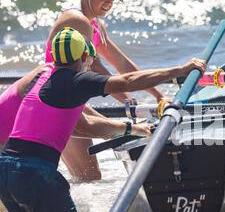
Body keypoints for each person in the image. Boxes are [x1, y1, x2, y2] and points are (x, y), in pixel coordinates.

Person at [0, 28, 206, 212]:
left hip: (6, 175)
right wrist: (179, 71)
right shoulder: (76, 80)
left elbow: (84, 126)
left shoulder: (43, 77)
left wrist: (134, 129)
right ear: (85, 58)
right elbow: (128, 81)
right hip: (37, 176)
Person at [46, 0, 165, 182]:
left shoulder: (95, 24)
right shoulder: (77, 20)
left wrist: (158, 95)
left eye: (112, 0)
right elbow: (95, 68)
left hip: (70, 98)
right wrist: (130, 102)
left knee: (86, 176)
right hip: (58, 100)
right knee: (88, 176)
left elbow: (120, 62)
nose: (108, 4)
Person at [0, 40, 151, 151]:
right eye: (90, 64)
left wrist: (115, 130)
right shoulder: (55, 80)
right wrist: (129, 129)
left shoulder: (51, 75)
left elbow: (78, 116)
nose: (89, 69)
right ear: (83, 58)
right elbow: (84, 126)